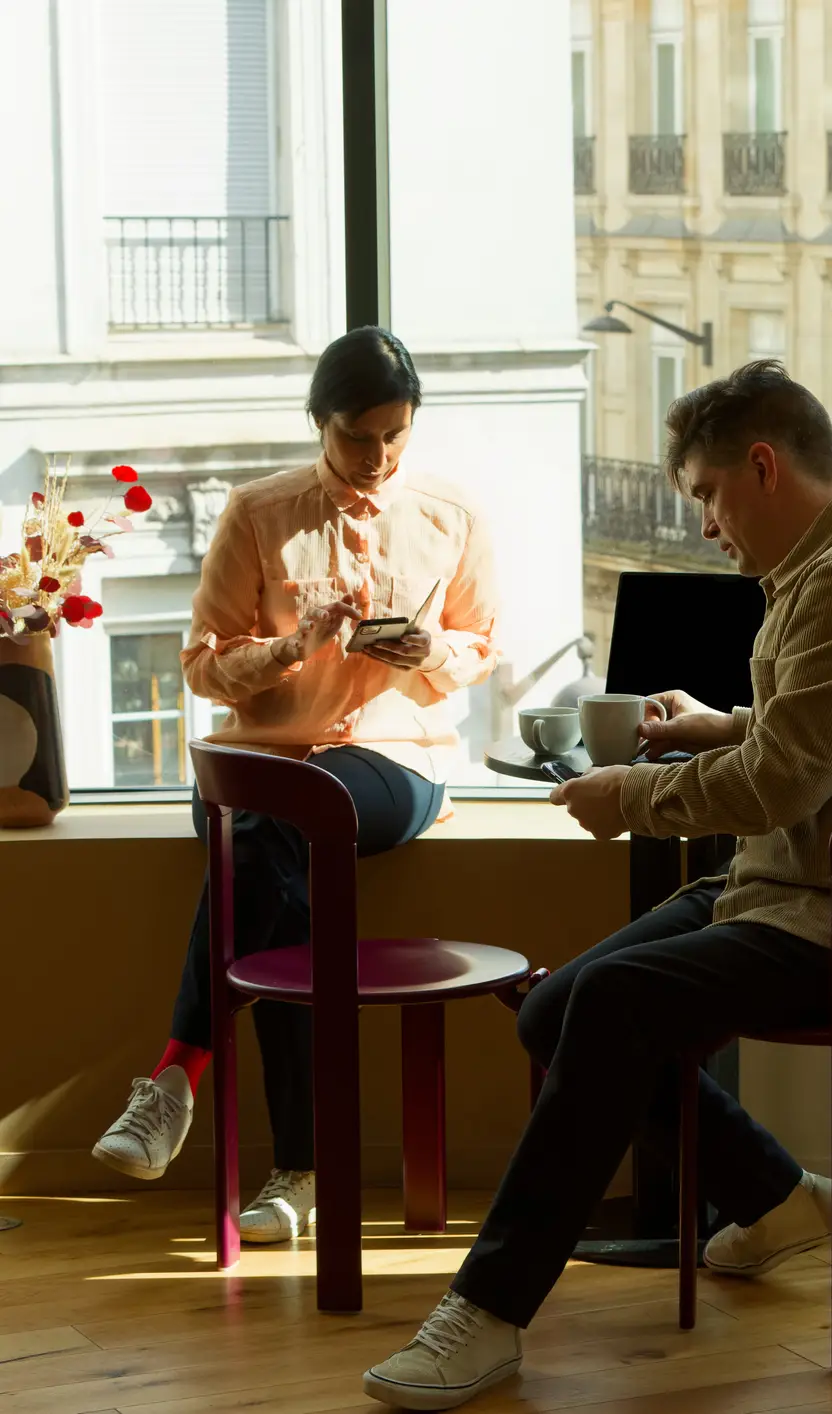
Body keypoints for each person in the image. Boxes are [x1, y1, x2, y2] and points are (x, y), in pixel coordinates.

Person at [362, 359, 832, 1410]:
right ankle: (777, 1197)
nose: (707, 522)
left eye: (707, 493)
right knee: (557, 1006)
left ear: (762, 466)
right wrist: (718, 722)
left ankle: (486, 1311)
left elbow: (787, 779)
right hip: (800, 887)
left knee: (610, 1004)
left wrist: (633, 799)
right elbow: (825, 742)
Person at [90, 327, 498, 1243]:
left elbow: (480, 645)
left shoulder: (451, 515)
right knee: (277, 862)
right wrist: (293, 648)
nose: (378, 456)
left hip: (394, 756)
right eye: (360, 435)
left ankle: (177, 1078)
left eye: (396, 434)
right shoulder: (258, 512)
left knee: (271, 839)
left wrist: (425, 647)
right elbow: (200, 665)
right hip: (260, 759)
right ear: (321, 421)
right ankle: (298, 1173)